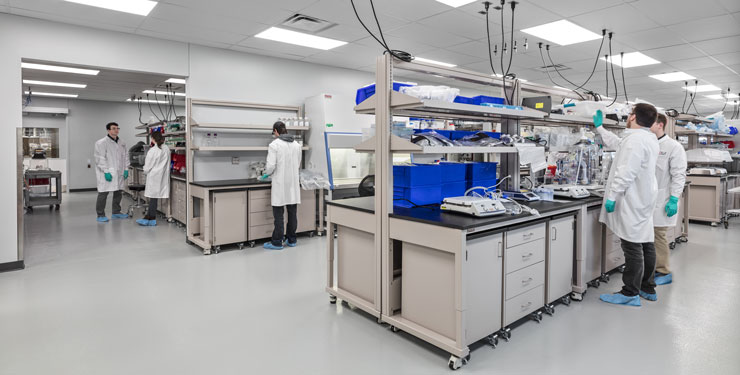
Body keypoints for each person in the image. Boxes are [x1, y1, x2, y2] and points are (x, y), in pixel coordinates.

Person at [593, 104, 660, 306]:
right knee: (646, 242)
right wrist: (600, 128)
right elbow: (619, 143)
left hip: (632, 198)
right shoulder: (645, 138)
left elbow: (626, 172)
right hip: (644, 198)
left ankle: (630, 293)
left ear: (632, 117)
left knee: (632, 246)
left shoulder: (636, 141)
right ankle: (648, 288)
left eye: (630, 113)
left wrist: (612, 196)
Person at [650, 114, 687, 285]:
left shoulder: (673, 147)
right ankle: (651, 269)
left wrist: (673, 199)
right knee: (647, 237)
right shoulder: (647, 143)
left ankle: (663, 271)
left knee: (659, 235)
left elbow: (679, 175)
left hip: (662, 199)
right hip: (646, 199)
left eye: (650, 123)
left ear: (660, 125)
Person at [259, 121, 302, 250]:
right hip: (293, 183)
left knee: (278, 214)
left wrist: (266, 174)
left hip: (280, 183)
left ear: (276, 131)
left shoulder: (274, 145)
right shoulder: (296, 145)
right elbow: (298, 163)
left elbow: (271, 166)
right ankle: (292, 239)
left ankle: (277, 241)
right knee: (292, 213)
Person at [94, 122, 130, 222]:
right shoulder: (101, 143)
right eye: (114, 128)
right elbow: (100, 158)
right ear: (108, 130)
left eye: (117, 128)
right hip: (107, 172)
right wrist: (106, 171)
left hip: (119, 172)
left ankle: (116, 212)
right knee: (103, 193)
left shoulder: (122, 142)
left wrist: (126, 169)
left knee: (118, 192)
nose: (116, 130)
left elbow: (126, 156)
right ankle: (100, 215)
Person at [137, 131, 171, 226]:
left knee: (153, 197)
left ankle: (151, 218)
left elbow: (147, 166)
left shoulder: (153, 150)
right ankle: (150, 216)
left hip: (154, 176)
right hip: (163, 176)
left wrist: (145, 171)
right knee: (154, 198)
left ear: (152, 139)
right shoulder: (166, 148)